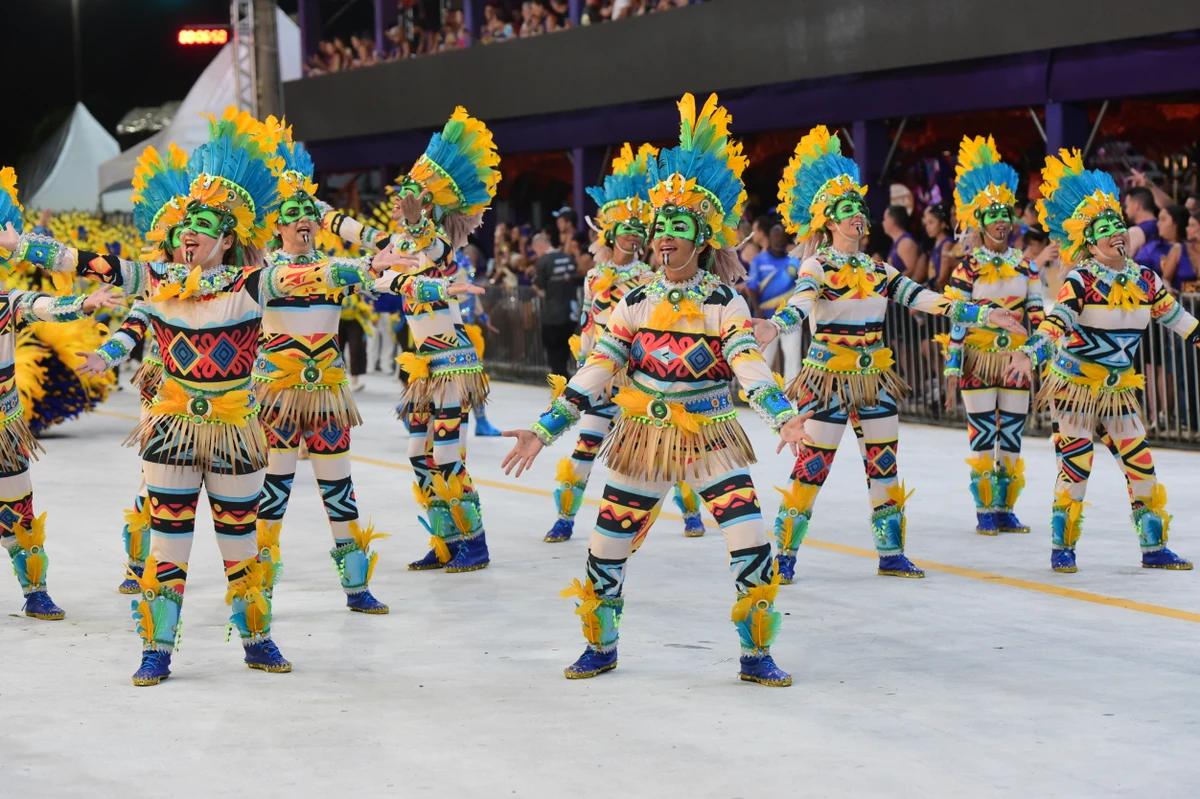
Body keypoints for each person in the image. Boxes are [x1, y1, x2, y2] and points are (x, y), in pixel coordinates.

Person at [22, 109, 410, 685]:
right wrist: (25, 244)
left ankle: (256, 638)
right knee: (168, 546)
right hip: (173, 428)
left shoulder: (250, 282)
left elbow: (312, 277)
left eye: (202, 225)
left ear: (227, 239)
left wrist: (372, 267)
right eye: (183, 226)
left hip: (234, 429)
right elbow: (92, 264)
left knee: (240, 543)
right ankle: (156, 649)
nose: (188, 233)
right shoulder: (155, 279)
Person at [502, 94, 812, 687]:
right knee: (607, 545)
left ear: (701, 239)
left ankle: (756, 654)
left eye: (677, 229)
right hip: (640, 437)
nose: (664, 239)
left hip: (711, 436)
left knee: (749, 540)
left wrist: (783, 416)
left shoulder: (726, 301)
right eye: (659, 229)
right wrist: (545, 429)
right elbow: (598, 366)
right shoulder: (633, 300)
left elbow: (748, 364)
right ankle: (601, 646)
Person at [755, 126, 1025, 583]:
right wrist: (774, 325)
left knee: (884, 463)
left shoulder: (880, 270)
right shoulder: (816, 265)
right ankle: (784, 554)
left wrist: (984, 315)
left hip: (876, 378)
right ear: (827, 221)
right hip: (828, 380)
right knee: (812, 467)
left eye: (859, 208)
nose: (857, 217)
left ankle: (891, 551)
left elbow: (928, 299)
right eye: (846, 211)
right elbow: (799, 306)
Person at [1006, 149, 1200, 573]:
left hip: (1119, 390)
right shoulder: (1081, 279)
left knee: (1141, 465)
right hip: (1075, 388)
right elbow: (1056, 323)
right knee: (1075, 469)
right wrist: (1030, 352)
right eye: (1106, 228)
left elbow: (1177, 318)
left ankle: (1153, 547)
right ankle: (1063, 548)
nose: (1118, 232)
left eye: (1119, 224)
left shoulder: (1146, 280)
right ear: (1089, 242)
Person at [323, 106, 498, 574]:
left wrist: (417, 220)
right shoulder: (400, 245)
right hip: (421, 364)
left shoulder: (438, 245)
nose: (402, 202)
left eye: (413, 197)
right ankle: (444, 542)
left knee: (445, 455)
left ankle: (474, 543)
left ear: (432, 207)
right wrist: (311, 206)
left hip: (451, 362)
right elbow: (355, 233)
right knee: (418, 455)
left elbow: (426, 247)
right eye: (404, 197)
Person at [248, 120, 391, 614]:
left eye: (310, 212)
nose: (302, 218)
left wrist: (428, 281)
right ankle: (259, 585)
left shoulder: (335, 268)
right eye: (293, 213)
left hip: (328, 391)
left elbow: (392, 282)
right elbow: (314, 277)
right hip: (276, 396)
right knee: (275, 490)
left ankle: (356, 587)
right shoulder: (266, 273)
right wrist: (371, 263)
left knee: (339, 488)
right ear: (278, 226)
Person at [541, 142, 707, 544]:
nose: (633, 237)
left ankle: (691, 514)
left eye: (639, 231)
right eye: (626, 231)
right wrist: (581, 373)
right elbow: (586, 325)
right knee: (585, 449)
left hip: (638, 384)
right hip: (602, 379)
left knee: (672, 449)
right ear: (610, 234)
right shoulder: (594, 277)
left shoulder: (653, 282)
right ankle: (565, 518)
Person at [0, 167, 118, 622]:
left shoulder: (6, 301)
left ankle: (35, 591)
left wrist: (84, 304)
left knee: (19, 511)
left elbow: (43, 305)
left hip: (3, 426)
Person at [938, 135, 1045, 535]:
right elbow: (959, 321)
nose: (1001, 220)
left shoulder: (1027, 266)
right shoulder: (966, 269)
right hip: (977, 360)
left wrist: (1040, 355)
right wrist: (952, 367)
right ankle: (985, 509)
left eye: (1007, 213)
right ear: (978, 221)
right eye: (993, 214)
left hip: (1016, 359)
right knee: (983, 434)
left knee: (1013, 435)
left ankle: (1006, 507)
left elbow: (1037, 316)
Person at [744, 217, 802, 384]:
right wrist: (758, 310)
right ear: (769, 238)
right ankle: (763, 394)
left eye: (781, 235)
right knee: (764, 358)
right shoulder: (759, 260)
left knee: (793, 358)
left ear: (786, 238)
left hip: (790, 318)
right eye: (775, 235)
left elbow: (800, 289)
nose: (778, 239)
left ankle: (792, 397)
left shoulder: (794, 260)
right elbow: (752, 287)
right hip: (766, 318)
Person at [532, 231, 579, 377]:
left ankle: (561, 385)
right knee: (565, 351)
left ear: (539, 247)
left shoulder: (543, 262)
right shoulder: (568, 257)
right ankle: (565, 379)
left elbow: (541, 289)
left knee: (554, 354)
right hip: (571, 313)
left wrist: (534, 287)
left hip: (553, 316)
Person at [1158, 204, 1196, 293]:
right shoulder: (1152, 248)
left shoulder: (1191, 249)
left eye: (1163, 219)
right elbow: (1165, 278)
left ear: (1176, 223)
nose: (1158, 223)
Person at [920, 201, 957, 290]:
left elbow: (943, 278)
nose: (927, 227)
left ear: (943, 224)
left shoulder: (947, 244)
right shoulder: (936, 244)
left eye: (931, 223)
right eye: (926, 224)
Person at [883, 204, 924, 283]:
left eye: (885, 219)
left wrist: (893, 282)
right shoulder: (897, 242)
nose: (883, 223)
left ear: (892, 221)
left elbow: (913, 271)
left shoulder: (905, 243)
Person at [1124, 186, 1159, 265]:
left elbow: (1121, 264)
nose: (1126, 210)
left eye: (1127, 206)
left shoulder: (1136, 231)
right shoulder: (1163, 226)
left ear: (1137, 205)